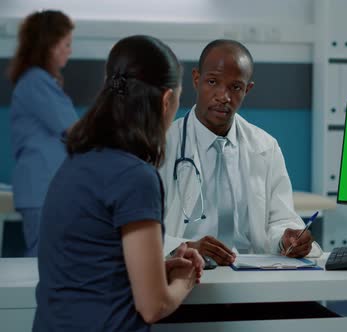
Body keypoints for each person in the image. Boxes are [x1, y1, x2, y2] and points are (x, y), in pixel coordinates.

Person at [33, 35, 205, 331]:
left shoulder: (76, 161)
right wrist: (183, 281)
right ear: (166, 102)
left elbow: (92, 271)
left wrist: (156, 271)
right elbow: (154, 306)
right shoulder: (135, 177)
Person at [159, 39, 321, 265]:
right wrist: (185, 247)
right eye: (213, 81)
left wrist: (287, 238)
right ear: (197, 79)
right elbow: (142, 234)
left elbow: (281, 219)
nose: (223, 96)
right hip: (187, 272)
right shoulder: (163, 144)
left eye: (235, 87)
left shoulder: (265, 147)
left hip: (249, 274)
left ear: (248, 89)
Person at [7, 10, 79, 256]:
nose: (70, 50)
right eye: (66, 44)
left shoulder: (37, 82)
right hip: (42, 188)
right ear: (50, 45)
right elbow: (75, 132)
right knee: (43, 259)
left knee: (47, 256)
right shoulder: (37, 82)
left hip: (45, 188)